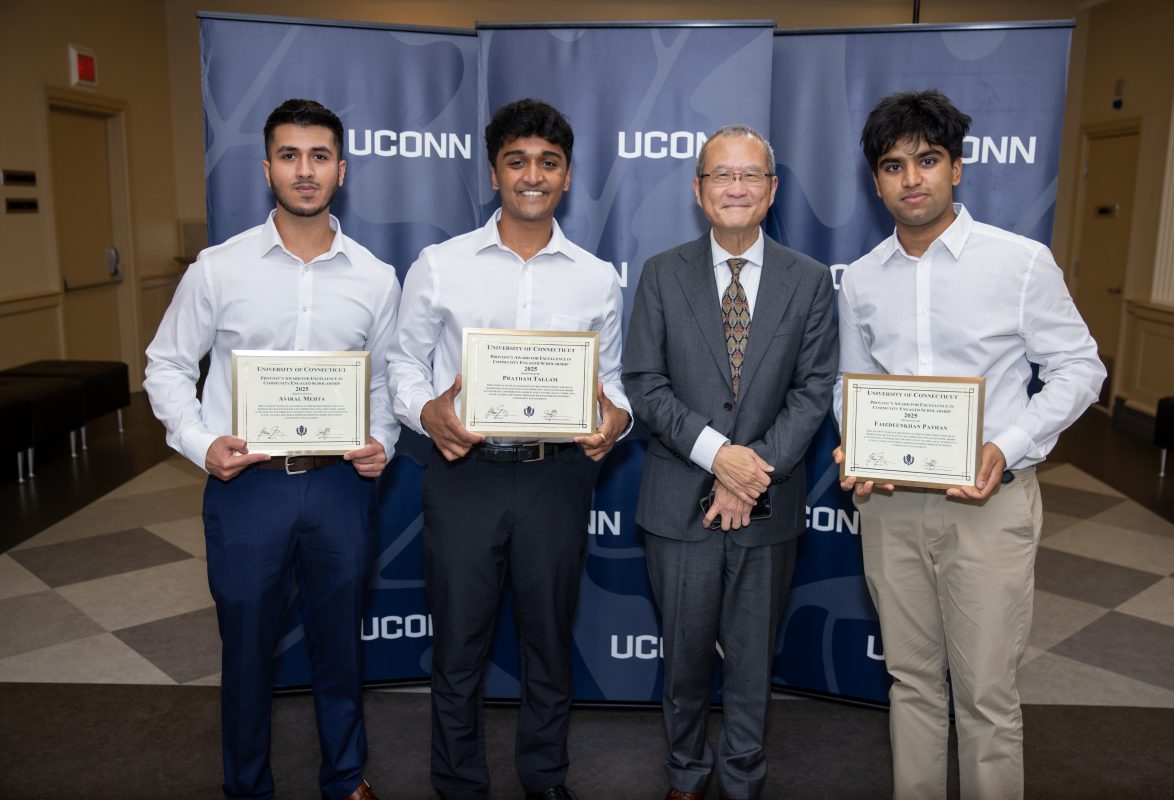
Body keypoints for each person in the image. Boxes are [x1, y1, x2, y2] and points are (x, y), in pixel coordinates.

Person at [833, 89, 1105, 799]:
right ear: (876, 180)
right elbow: (850, 381)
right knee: (911, 683)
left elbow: (1082, 368)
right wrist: (855, 440)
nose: (911, 178)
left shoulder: (1019, 263)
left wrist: (1008, 443)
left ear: (957, 167)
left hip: (990, 505)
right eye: (893, 165)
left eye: (927, 160)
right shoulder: (860, 280)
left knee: (985, 695)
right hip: (890, 507)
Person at [144, 98, 399, 800]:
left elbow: (387, 378)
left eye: (319, 156)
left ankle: (346, 776)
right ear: (267, 169)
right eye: (289, 155)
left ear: (341, 170)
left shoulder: (376, 278)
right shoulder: (217, 270)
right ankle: (247, 785)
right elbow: (165, 365)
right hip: (246, 485)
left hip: (341, 486)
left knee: (339, 646)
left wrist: (385, 439)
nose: (305, 170)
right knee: (248, 652)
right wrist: (201, 445)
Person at [387, 98, 631, 800]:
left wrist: (615, 419)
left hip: (556, 476)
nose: (533, 175)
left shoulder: (594, 276)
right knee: (459, 647)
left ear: (567, 175)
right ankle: (459, 784)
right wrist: (428, 410)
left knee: (549, 646)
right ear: (494, 172)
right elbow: (402, 366)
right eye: (517, 161)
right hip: (465, 474)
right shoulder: (440, 265)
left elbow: (610, 379)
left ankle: (544, 780)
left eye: (548, 163)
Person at [623, 124, 838, 800]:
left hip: (768, 505)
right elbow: (644, 382)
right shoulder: (661, 273)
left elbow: (813, 389)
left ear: (771, 191)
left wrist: (751, 475)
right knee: (684, 659)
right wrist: (721, 458)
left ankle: (744, 778)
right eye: (721, 175)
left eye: (751, 175)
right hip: (678, 501)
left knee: (751, 662)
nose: (736, 187)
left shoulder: (808, 280)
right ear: (698, 190)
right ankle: (685, 775)